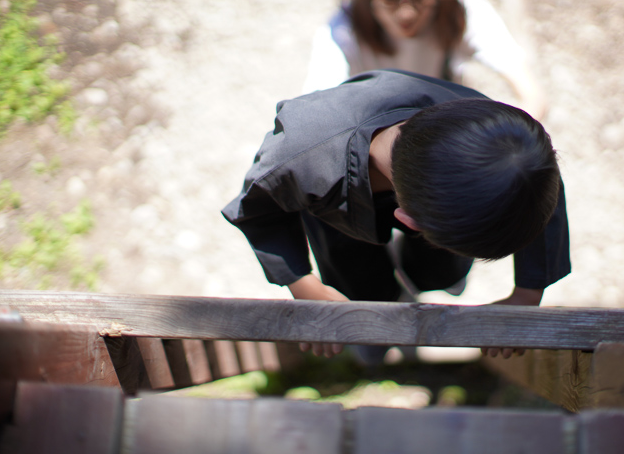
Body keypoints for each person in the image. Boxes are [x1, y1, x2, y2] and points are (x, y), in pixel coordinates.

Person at [222, 70, 570, 359]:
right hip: (335, 201)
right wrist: (304, 285)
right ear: (409, 220)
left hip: (429, 183)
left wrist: (526, 295)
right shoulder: (300, 155)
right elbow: (257, 210)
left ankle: (429, 278)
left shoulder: (509, 142)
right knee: (359, 279)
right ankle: (373, 336)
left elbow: (535, 188)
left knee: (437, 272)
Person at [302, 0, 548, 121]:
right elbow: (311, 111)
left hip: (443, 136)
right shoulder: (344, 28)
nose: (406, 13)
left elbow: (532, 96)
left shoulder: (464, 12)